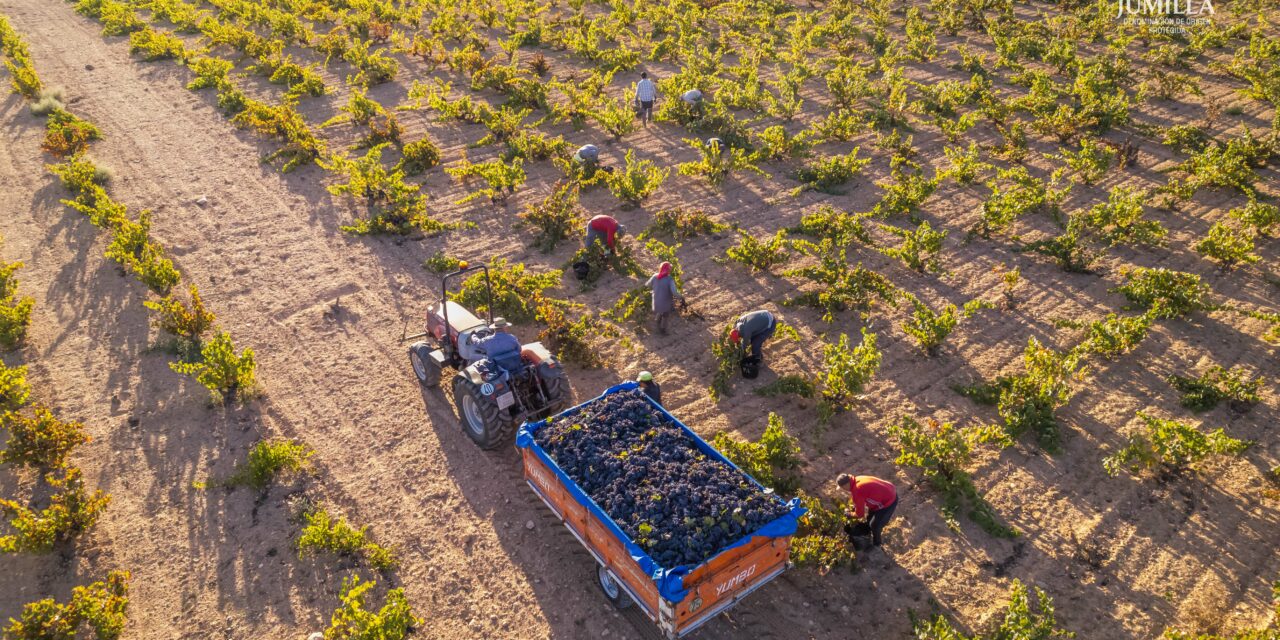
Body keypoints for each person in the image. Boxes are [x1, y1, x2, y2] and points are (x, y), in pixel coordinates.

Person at [836, 473, 898, 548]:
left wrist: (849, 514)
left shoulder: (857, 490)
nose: (843, 490)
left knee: (875, 525)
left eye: (842, 488)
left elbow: (860, 515)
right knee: (869, 519)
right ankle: (868, 532)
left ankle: (877, 544)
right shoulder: (857, 479)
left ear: (846, 485)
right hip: (888, 490)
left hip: (889, 501)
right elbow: (862, 499)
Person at [645, 261, 682, 334]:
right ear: (668, 270)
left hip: (655, 302)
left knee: (660, 309)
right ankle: (663, 329)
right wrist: (681, 297)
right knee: (665, 315)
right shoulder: (670, 279)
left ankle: (657, 320)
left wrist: (656, 289)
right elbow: (674, 292)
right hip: (666, 304)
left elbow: (647, 284)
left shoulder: (655, 276)